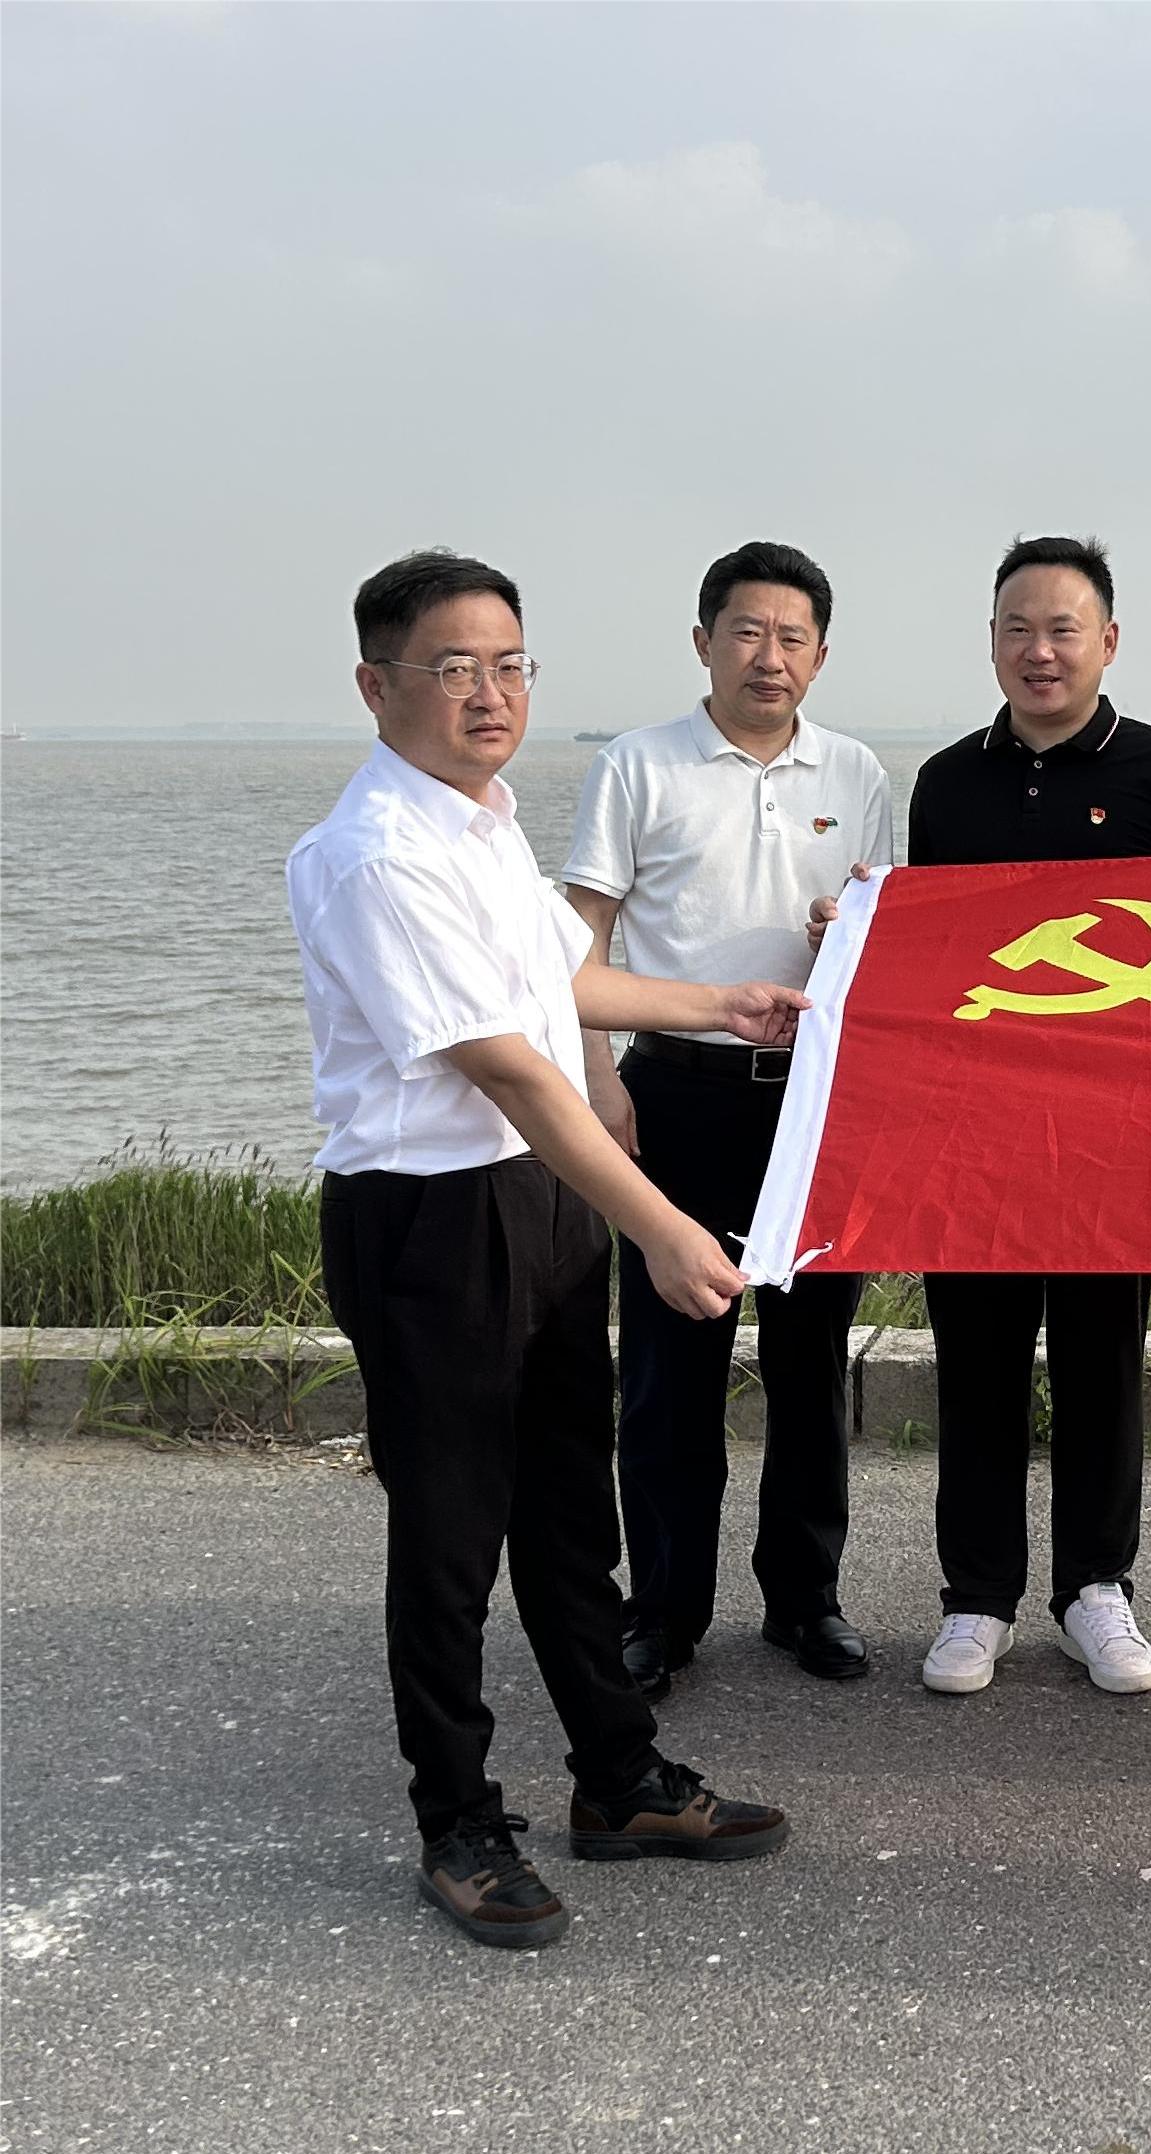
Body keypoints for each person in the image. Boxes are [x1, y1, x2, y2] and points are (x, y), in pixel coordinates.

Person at [289, 549, 796, 1953]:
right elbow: (511, 1066)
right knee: (452, 1534)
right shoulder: (373, 853)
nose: (490, 693)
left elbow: (559, 982)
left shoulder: (486, 820)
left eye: (510, 664)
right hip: (430, 1219)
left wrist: (718, 1003)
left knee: (573, 1510)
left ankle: (619, 1778)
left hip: (538, 1196)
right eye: (454, 667)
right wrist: (662, 1220)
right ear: (376, 684)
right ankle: (457, 1821)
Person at [887, 536, 1151, 1700]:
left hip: (1112, 1129)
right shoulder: (945, 783)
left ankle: (1095, 1587)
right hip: (975, 1127)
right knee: (975, 1359)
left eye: (1063, 629)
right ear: (991, 643)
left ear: (1107, 642)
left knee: (1100, 1360)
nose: (1040, 650)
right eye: (1018, 629)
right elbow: (929, 957)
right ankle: (975, 1596)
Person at [563, 543, 896, 1700]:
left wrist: (845, 931)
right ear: (703, 642)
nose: (769, 656)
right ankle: (662, 1607)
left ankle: (805, 1596)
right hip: (676, 1090)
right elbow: (581, 938)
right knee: (670, 1364)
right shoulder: (636, 765)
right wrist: (599, 1081)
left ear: (820, 654)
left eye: (792, 637)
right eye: (746, 632)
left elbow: (881, 934)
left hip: (811, 1096)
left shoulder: (854, 770)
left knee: (812, 1361)